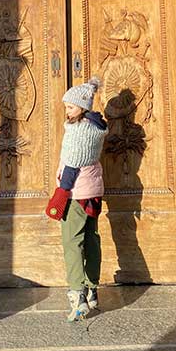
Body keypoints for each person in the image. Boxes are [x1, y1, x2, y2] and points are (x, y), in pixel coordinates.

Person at [55, 77, 107, 321]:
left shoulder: (80, 131)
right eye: (66, 107)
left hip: (77, 193)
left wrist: (61, 193)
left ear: (83, 107)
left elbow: (72, 165)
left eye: (71, 107)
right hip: (93, 191)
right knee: (90, 238)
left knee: (72, 241)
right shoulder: (96, 126)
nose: (67, 111)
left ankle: (77, 296)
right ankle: (92, 288)